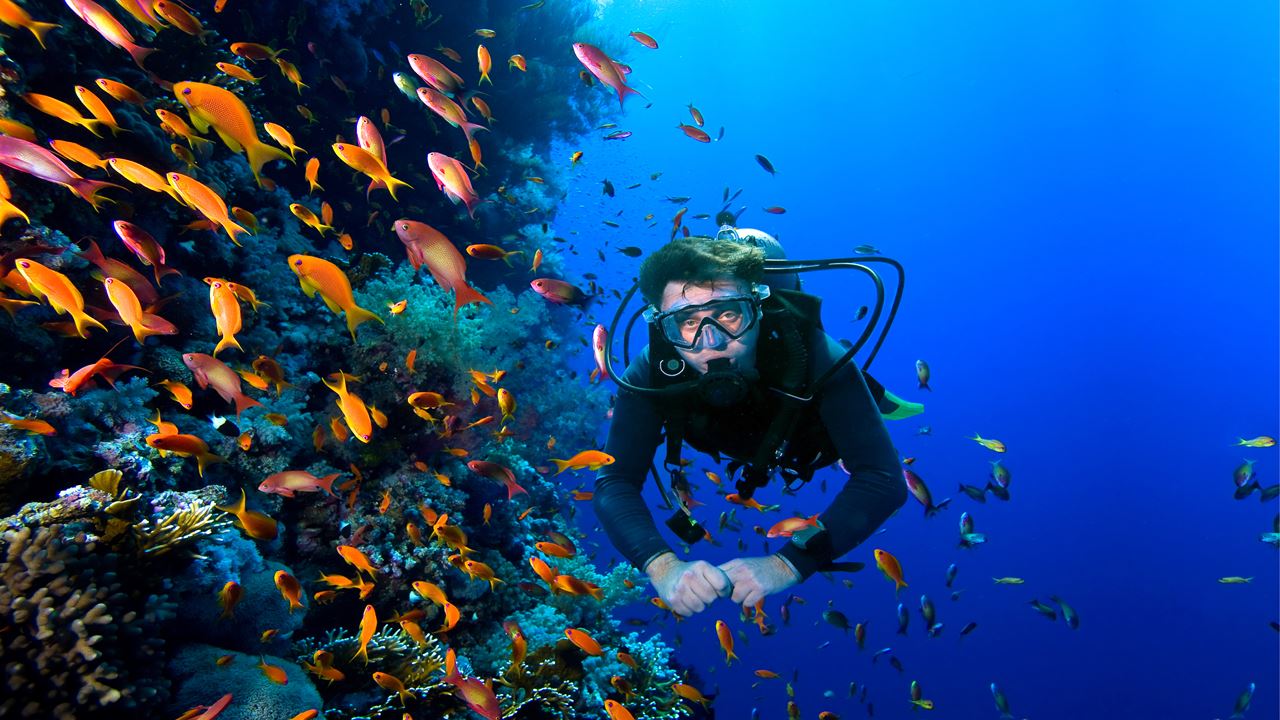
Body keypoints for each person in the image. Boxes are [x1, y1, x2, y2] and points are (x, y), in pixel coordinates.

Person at [593, 228, 909, 617]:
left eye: (729, 314)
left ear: (757, 309)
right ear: (663, 328)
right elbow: (614, 481)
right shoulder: (651, 371)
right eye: (687, 323)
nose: (711, 341)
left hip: (808, 442)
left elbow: (882, 479)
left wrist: (788, 563)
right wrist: (661, 565)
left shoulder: (813, 354)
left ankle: (872, 399)